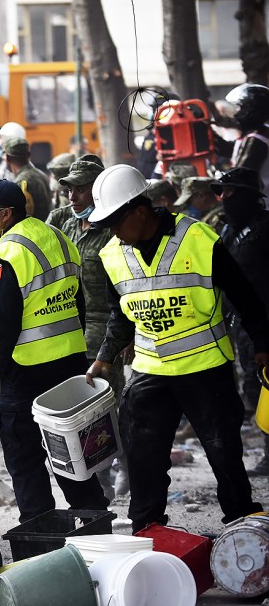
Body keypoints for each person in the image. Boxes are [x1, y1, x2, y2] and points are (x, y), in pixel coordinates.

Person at [86, 164, 267, 532]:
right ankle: (147, 529)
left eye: (116, 223)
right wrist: (105, 357)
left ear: (140, 211)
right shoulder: (112, 254)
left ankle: (243, 528)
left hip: (205, 368)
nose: (113, 233)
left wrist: (263, 344)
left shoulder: (200, 239)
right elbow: (119, 315)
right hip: (151, 370)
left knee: (223, 453)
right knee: (144, 456)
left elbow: (245, 296)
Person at [0, 180, 109, 522]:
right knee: (71, 449)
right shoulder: (58, 237)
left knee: (24, 456)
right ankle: (94, 521)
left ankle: (40, 529)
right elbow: (77, 302)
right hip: (70, 364)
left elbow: (0, 326)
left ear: (5, 214)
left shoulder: (7, 255)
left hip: (27, 371)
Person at [48, 156, 128, 499]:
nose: (73, 196)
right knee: (75, 409)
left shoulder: (112, 229)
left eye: (81, 189)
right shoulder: (64, 223)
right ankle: (90, 476)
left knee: (105, 406)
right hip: (68, 326)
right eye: (70, 189)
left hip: (104, 325)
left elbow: (126, 285)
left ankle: (113, 470)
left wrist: (128, 335)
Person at [212, 167, 269, 476]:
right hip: (240, 325)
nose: (224, 198)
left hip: (265, 322)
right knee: (253, 387)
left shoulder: (264, 228)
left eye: (231, 192)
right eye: (222, 192)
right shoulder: (229, 230)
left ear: (248, 195)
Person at [225, 83, 269, 192]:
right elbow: (230, 149)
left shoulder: (256, 140)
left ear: (250, 111)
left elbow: (240, 176)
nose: (236, 114)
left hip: (259, 205)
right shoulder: (260, 134)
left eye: (239, 108)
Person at [2, 136, 53, 223]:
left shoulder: (21, 183)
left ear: (7, 158)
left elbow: (19, 218)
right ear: (29, 155)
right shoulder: (41, 175)